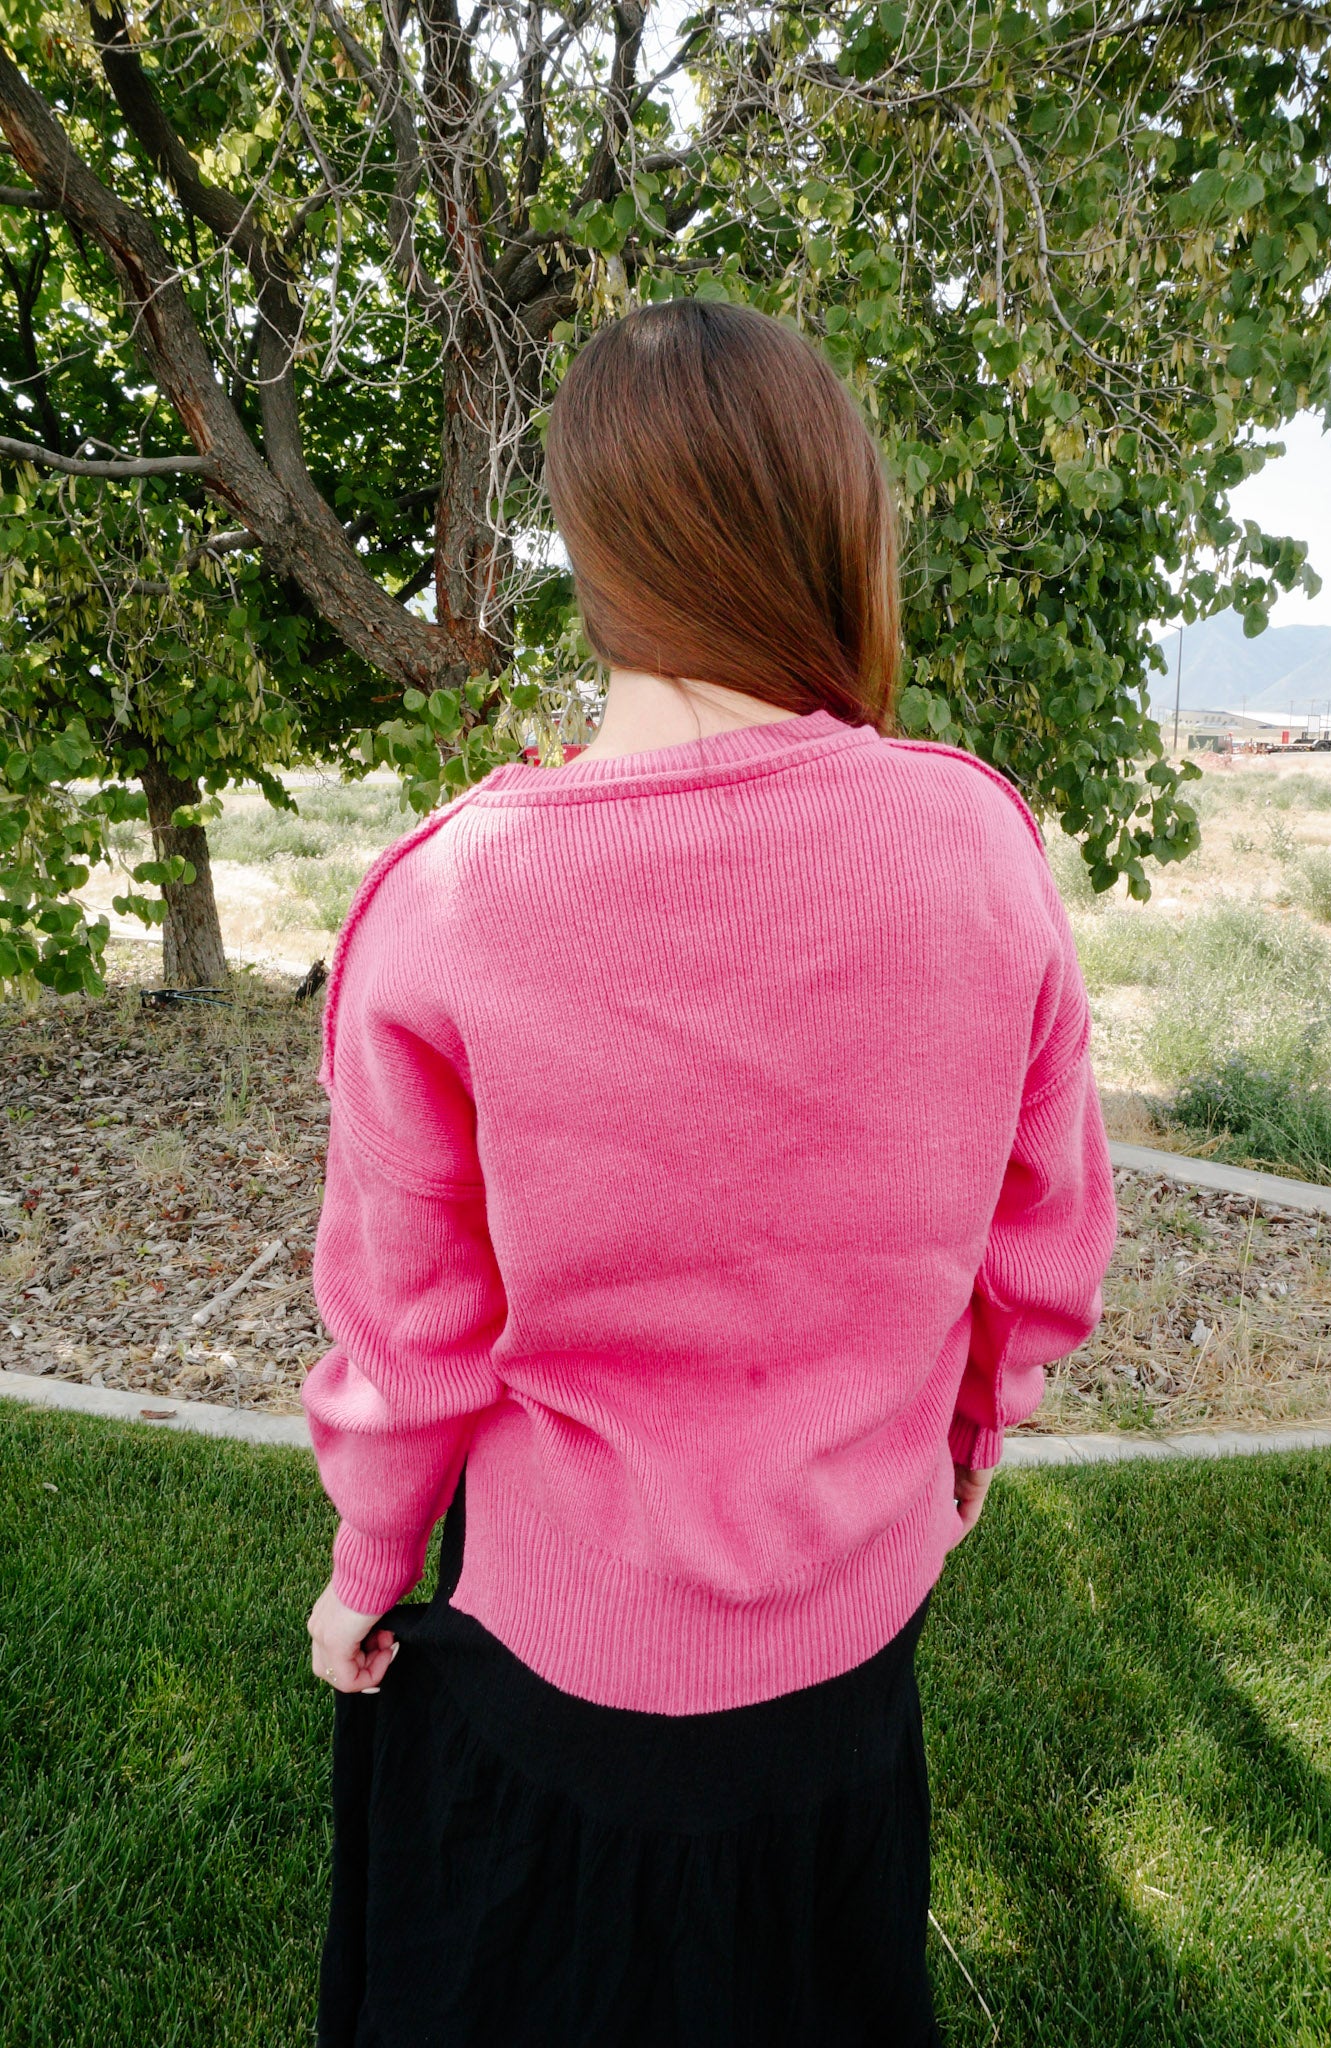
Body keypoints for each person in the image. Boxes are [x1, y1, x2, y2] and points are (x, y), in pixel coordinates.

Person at [303, 299, 1117, 2047]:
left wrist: (367, 1569)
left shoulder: (446, 899)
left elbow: (409, 1323)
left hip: (559, 1691)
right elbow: (1040, 1236)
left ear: (593, 548)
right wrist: (979, 1431)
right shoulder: (979, 844)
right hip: (850, 1664)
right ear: (837, 519)